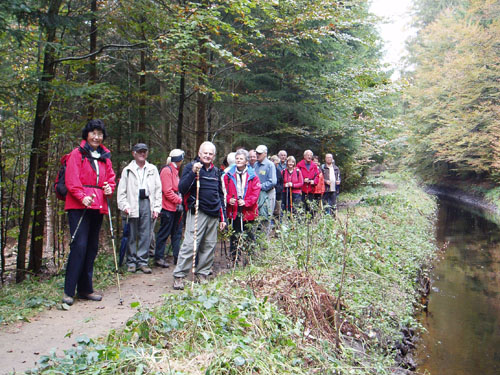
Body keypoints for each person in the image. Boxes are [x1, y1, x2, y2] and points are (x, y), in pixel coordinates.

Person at [62, 119, 116, 306]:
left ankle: (85, 289)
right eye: (93, 133)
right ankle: (69, 291)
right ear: (87, 134)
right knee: (79, 246)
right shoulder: (77, 154)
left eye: (100, 134)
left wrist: (110, 188)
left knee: (92, 247)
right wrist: (81, 196)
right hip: (79, 205)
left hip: (98, 205)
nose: (96, 136)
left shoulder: (104, 156)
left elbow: (110, 178)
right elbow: (71, 179)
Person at [173, 141, 227, 290]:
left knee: (209, 245)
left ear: (214, 156)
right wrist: (192, 173)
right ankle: (179, 276)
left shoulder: (216, 172)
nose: (208, 156)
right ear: (199, 153)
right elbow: (182, 188)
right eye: (205, 153)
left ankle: (202, 273)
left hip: (214, 213)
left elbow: (220, 196)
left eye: (210, 154)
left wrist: (223, 218)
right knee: (190, 244)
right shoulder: (192, 167)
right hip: (197, 211)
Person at [117, 143, 162, 274]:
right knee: (131, 234)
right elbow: (121, 192)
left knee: (146, 234)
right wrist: (124, 206)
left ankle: (143, 261)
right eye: (140, 151)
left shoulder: (152, 169)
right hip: (132, 203)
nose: (142, 154)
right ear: (134, 153)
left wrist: (157, 207)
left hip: (147, 202)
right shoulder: (127, 170)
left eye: (144, 151)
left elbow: (158, 190)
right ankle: (131, 262)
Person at [223, 149, 261, 260]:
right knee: (235, 234)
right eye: (237, 158)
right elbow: (224, 191)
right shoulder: (228, 175)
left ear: (246, 161)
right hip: (234, 209)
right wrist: (229, 199)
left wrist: (246, 202)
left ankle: (250, 258)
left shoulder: (253, 175)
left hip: (248, 210)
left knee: (249, 234)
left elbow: (255, 193)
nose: (238, 160)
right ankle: (234, 257)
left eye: (241, 159)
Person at [154, 149, 185, 268]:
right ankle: (159, 257)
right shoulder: (167, 171)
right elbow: (167, 191)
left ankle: (177, 256)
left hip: (177, 209)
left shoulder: (175, 171)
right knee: (164, 232)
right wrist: (180, 200)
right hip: (168, 208)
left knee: (177, 233)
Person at [253, 145, 277, 220]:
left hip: (268, 193)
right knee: (257, 214)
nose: (257, 155)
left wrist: (260, 186)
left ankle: (266, 231)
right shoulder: (255, 164)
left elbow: (273, 181)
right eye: (257, 153)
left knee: (267, 215)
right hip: (257, 193)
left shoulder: (270, 165)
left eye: (259, 153)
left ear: (265, 154)